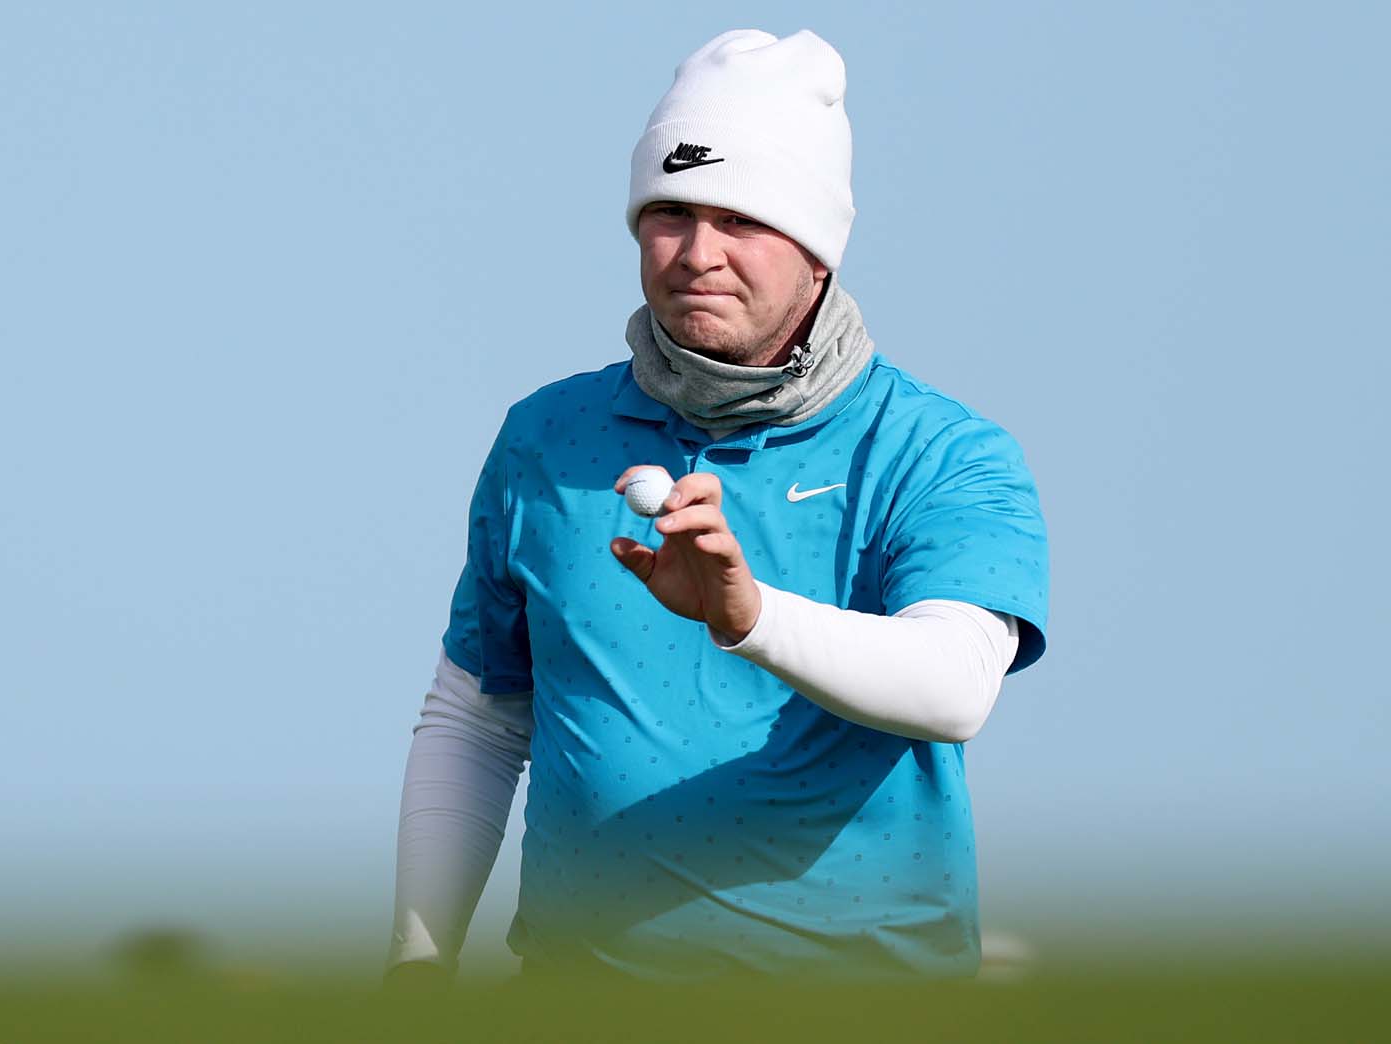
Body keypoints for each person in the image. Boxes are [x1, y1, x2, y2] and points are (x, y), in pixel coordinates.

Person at [384, 28, 1049, 989]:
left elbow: (954, 690)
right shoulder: (545, 436)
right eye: (670, 213)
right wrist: (417, 961)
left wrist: (748, 617)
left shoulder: (941, 451)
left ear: (818, 254)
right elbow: (479, 719)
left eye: (742, 220)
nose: (698, 254)